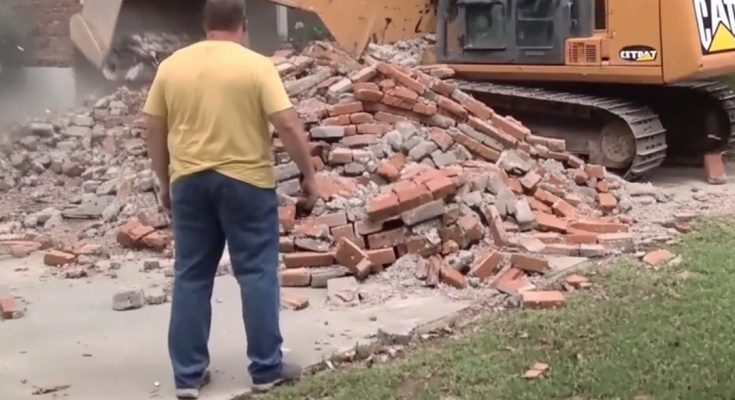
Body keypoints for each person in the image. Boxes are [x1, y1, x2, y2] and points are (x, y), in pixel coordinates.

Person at [142, 0, 318, 398]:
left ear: (204, 24)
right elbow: (287, 123)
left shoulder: (172, 66)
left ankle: (187, 376)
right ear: (243, 24)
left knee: (191, 275)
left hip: (189, 182)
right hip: (246, 183)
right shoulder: (256, 66)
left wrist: (165, 180)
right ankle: (265, 369)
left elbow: (153, 126)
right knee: (256, 273)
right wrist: (308, 174)